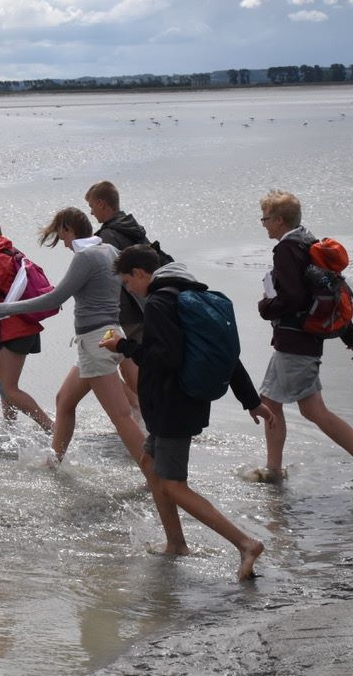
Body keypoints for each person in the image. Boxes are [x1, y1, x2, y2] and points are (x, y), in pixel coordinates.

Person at [100, 245, 274, 581]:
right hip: (184, 403)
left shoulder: (160, 303)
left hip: (171, 407)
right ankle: (175, 543)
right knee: (151, 467)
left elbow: (165, 357)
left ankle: (245, 543)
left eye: (127, 282)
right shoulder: (190, 295)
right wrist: (251, 400)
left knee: (175, 484)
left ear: (139, 273)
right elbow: (229, 356)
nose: (129, 290)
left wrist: (122, 347)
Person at [255, 190, 353, 492]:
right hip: (303, 341)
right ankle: (274, 470)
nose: (263, 224)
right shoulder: (309, 242)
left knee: (308, 410)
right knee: (273, 403)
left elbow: (294, 297)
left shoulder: (287, 250)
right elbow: (328, 290)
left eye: (265, 219)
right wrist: (350, 335)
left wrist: (265, 308)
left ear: (278, 220)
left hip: (296, 343)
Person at [0, 207, 145, 464]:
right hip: (108, 334)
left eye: (62, 238)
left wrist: (5, 309)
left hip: (96, 341)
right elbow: (129, 291)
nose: (64, 245)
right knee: (64, 401)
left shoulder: (86, 257)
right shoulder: (110, 250)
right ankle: (54, 462)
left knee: (120, 416)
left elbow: (56, 298)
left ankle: (155, 471)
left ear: (68, 229)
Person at [0, 214, 53, 431]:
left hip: (14, 330)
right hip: (9, 328)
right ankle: (10, 431)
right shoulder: (9, 252)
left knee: (9, 389)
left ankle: (51, 428)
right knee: (4, 389)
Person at [85, 180, 156, 412]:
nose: (91, 211)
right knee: (132, 363)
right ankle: (142, 410)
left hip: (121, 313)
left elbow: (107, 278)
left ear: (102, 203)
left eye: (92, 206)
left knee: (113, 362)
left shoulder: (107, 236)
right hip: (145, 307)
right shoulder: (133, 228)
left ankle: (142, 411)